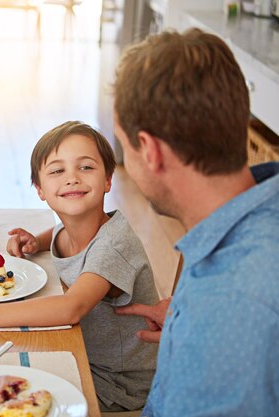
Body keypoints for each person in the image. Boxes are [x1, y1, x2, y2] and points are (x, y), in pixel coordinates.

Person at [0, 121, 159, 412]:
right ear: (40, 189)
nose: (72, 178)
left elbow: (70, 309)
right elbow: (59, 232)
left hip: (117, 384)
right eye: (57, 171)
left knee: (3, 383)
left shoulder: (113, 245)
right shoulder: (74, 228)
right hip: (87, 355)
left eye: (86, 167)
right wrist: (36, 242)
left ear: (108, 180)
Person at [112, 29, 279, 416]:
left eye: (126, 147)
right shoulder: (253, 215)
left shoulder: (231, 305)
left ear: (150, 151)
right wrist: (187, 314)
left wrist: (210, 323)